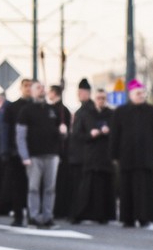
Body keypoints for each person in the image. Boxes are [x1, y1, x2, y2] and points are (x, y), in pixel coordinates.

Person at [109, 79, 153, 228]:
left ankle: (144, 217)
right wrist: (113, 155)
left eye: (142, 93)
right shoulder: (120, 112)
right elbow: (115, 135)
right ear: (131, 94)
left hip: (146, 156)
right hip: (126, 156)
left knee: (145, 188)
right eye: (138, 93)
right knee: (126, 188)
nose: (141, 96)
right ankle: (128, 218)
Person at [16, 80, 65, 228]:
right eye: (38, 88)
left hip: (51, 154)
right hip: (34, 155)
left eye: (43, 87)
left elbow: (59, 133)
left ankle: (48, 216)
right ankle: (34, 216)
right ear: (31, 91)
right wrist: (24, 155)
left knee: (50, 188)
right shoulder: (26, 110)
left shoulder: (53, 110)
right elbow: (20, 135)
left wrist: (62, 132)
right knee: (34, 187)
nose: (42, 90)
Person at [70, 89, 116, 224]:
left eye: (103, 98)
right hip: (90, 155)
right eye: (98, 98)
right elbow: (77, 135)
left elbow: (118, 134)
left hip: (106, 156)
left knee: (104, 187)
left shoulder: (112, 115)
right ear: (94, 99)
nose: (101, 101)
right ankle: (80, 214)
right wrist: (91, 134)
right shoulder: (86, 114)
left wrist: (109, 132)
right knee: (87, 187)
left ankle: (103, 216)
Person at [56, 79, 91, 219]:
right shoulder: (80, 110)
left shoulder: (88, 110)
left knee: (80, 186)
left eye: (80, 92)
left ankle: (79, 212)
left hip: (83, 155)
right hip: (75, 154)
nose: (78, 95)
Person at [2, 78, 32, 226]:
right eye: (26, 86)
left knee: (32, 186)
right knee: (17, 186)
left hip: (33, 152)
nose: (28, 89)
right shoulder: (12, 107)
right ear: (21, 88)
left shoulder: (37, 107)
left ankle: (33, 215)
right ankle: (18, 215)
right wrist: (7, 150)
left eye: (30, 86)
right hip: (15, 152)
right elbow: (6, 130)